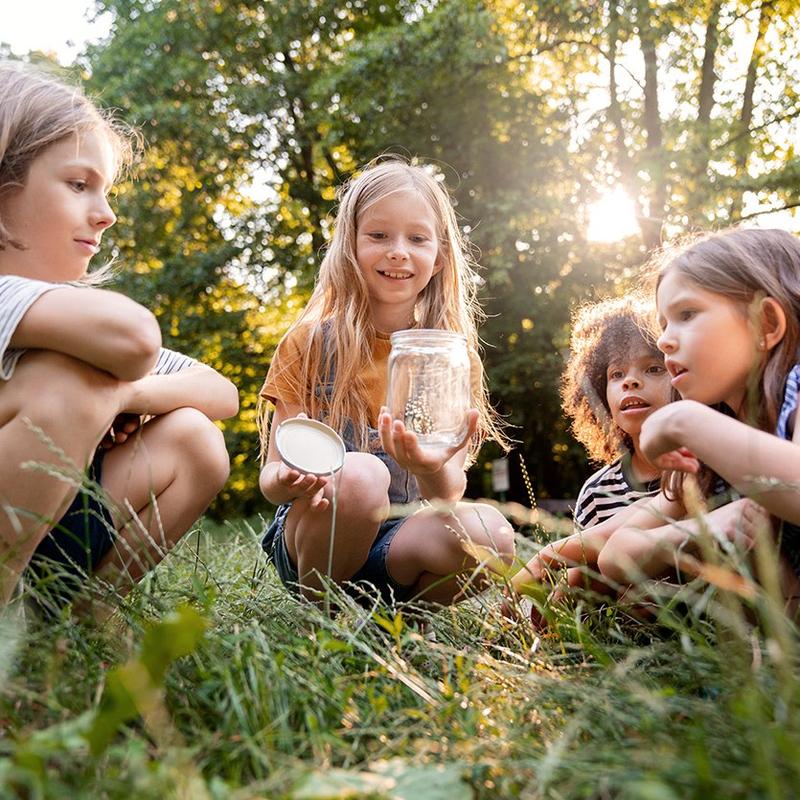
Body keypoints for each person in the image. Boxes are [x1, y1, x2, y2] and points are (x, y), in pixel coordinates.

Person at [0, 61, 238, 613]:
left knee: (197, 440)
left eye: (106, 191)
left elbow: (220, 393)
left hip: (40, 538)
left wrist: (124, 396)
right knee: (70, 382)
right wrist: (102, 389)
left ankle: (70, 632)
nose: (106, 215)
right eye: (79, 184)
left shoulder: (72, 323)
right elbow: (133, 340)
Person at [258, 157, 514, 604]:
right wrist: (289, 480)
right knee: (361, 476)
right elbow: (271, 477)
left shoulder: (450, 359)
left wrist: (428, 465)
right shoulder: (307, 345)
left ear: (438, 259)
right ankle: (318, 619)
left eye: (417, 238)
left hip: (397, 546)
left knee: (489, 534)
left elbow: (447, 494)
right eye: (378, 235)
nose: (398, 251)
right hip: (313, 540)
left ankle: (403, 626)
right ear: (350, 246)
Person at [596, 228, 800, 599]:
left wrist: (681, 420)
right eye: (663, 324)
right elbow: (615, 556)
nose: (663, 340)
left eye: (686, 314)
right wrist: (700, 529)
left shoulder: (796, 390)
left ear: (766, 324)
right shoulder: (709, 448)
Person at [562, 294, 671, 530]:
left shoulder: (709, 469)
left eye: (653, 369)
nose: (630, 381)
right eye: (617, 374)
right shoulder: (597, 494)